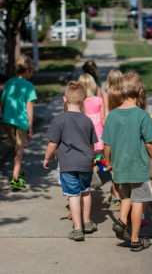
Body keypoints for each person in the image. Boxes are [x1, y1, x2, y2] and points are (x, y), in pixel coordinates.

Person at [102, 72, 152, 252]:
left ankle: (121, 222)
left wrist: (109, 163)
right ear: (141, 92)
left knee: (125, 196)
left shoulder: (111, 116)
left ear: (119, 92)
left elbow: (107, 144)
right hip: (138, 167)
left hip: (120, 166)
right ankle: (135, 240)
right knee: (138, 201)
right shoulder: (143, 116)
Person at [43, 81, 98, 241]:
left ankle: (78, 229)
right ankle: (87, 222)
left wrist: (47, 158)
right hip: (86, 163)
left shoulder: (59, 119)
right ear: (83, 101)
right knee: (86, 191)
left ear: (64, 99)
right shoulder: (87, 121)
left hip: (68, 165)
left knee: (73, 195)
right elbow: (91, 144)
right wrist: (91, 160)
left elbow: (53, 142)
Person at [0, 55, 37, 190]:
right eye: (32, 72)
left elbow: (2, 102)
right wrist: (31, 126)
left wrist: (4, 118)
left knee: (16, 147)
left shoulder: (9, 83)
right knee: (19, 149)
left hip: (8, 120)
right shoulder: (28, 85)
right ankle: (15, 178)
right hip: (21, 122)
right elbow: (29, 106)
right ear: (27, 70)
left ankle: (19, 171)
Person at [78, 74, 105, 187]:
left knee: (86, 155)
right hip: (98, 132)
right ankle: (95, 169)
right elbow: (103, 118)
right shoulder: (99, 100)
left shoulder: (80, 102)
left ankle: (88, 176)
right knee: (98, 155)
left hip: (84, 133)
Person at [107, 86, 123, 205]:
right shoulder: (125, 114)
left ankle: (116, 195)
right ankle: (121, 194)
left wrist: (108, 162)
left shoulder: (110, 116)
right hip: (124, 149)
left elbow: (107, 140)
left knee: (114, 174)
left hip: (114, 150)